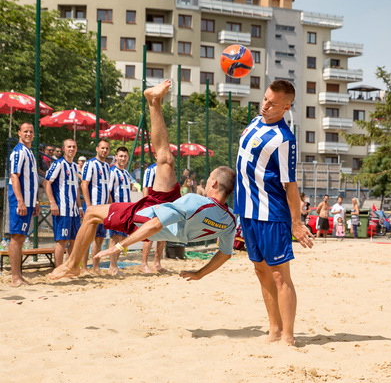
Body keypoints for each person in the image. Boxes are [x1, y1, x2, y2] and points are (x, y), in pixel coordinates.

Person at [50, 80, 237, 281]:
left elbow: (155, 225)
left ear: (215, 184)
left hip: (147, 219)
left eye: (209, 179)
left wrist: (120, 247)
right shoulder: (230, 221)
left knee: (91, 213)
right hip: (169, 210)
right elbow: (225, 253)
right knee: (165, 160)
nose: (207, 181)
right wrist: (199, 273)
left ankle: (72, 265)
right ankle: (154, 101)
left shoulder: (197, 202)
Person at [235, 79, 314, 346]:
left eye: (272, 103)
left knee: (280, 275)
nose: (265, 105)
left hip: (271, 213)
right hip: (247, 210)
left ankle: (289, 337)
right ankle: (274, 330)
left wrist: (295, 222)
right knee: (260, 271)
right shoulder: (255, 123)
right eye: (265, 99)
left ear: (286, 107)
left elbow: (290, 184)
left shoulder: (285, 139)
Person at [8, 122, 41, 287]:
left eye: (31, 131)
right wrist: (20, 201)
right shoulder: (18, 152)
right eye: (25, 131)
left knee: (21, 238)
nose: (28, 134)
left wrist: (33, 201)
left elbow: (31, 180)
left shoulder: (29, 152)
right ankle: (15, 277)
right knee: (16, 237)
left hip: (28, 201)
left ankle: (19, 275)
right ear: (19, 133)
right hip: (19, 201)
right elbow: (14, 176)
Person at [43, 139, 83, 268]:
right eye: (69, 146)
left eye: (74, 147)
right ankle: (58, 269)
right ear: (64, 149)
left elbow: (76, 188)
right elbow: (46, 182)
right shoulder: (58, 164)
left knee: (74, 240)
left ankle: (69, 267)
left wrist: (80, 206)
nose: (71, 149)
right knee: (62, 240)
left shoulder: (75, 166)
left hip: (74, 210)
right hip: (62, 209)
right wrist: (52, 203)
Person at [80, 139, 111, 275]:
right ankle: (84, 268)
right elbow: (84, 185)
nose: (104, 151)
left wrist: (111, 206)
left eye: (106, 149)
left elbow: (107, 189)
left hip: (103, 209)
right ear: (97, 149)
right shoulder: (90, 164)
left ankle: (96, 267)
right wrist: (88, 206)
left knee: (99, 239)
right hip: (93, 208)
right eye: (102, 148)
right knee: (87, 238)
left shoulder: (106, 167)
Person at [106, 146, 133, 276]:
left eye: (125, 156)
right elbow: (108, 191)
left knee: (122, 238)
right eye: (120, 156)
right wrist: (113, 209)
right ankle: (112, 266)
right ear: (116, 157)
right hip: (117, 210)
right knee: (115, 237)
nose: (123, 158)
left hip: (126, 211)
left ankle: (115, 265)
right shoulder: (112, 171)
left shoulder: (126, 173)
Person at [141, 161, 165, 273]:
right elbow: (145, 187)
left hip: (164, 205)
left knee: (163, 234)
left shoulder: (168, 169)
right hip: (153, 205)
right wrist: (146, 206)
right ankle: (144, 264)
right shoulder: (151, 170)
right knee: (149, 234)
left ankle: (157, 263)